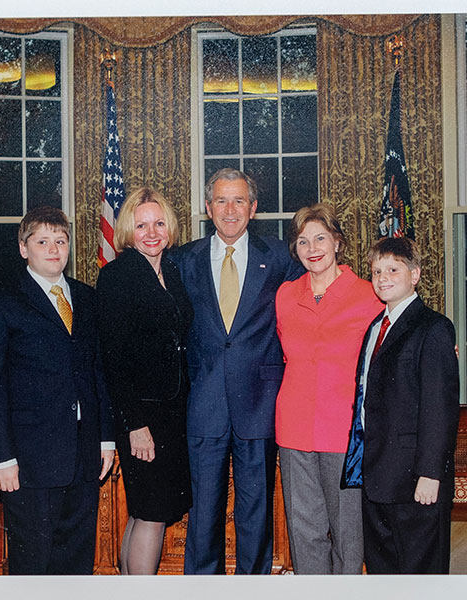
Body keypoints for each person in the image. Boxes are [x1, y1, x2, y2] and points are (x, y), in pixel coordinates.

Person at [171, 168, 303, 574]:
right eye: (222, 201)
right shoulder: (181, 260)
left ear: (254, 208)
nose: (231, 210)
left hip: (259, 403)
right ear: (208, 208)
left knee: (255, 514)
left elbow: (319, 299)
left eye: (239, 201)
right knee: (203, 515)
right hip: (203, 403)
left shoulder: (280, 256)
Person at [0, 206, 115, 575]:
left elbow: (98, 372)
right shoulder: (1, 300)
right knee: (33, 561)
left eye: (60, 241)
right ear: (24, 248)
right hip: (30, 459)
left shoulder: (87, 298)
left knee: (77, 557)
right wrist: (2, 459)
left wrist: (105, 440)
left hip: (84, 455)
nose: (53, 249)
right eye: (42, 241)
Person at [275, 204, 383, 574]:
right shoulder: (286, 296)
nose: (312, 247)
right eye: (302, 241)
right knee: (304, 532)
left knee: (348, 534)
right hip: (293, 429)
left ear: (337, 242)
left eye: (320, 238)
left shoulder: (371, 295)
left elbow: (403, 337)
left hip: (346, 432)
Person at [343, 236, 459, 574]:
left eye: (393, 269)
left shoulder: (434, 328)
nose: (383, 278)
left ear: (416, 274)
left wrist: (430, 473)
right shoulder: (375, 328)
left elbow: (440, 408)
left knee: (420, 576)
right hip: (376, 475)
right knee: (384, 574)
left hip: (415, 480)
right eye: (376, 271)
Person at [96, 187, 193, 575]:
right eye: (141, 226)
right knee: (151, 513)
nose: (151, 233)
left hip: (173, 414)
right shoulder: (117, 275)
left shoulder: (171, 269)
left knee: (145, 511)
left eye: (158, 224)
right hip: (142, 418)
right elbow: (113, 358)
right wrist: (134, 425)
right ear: (127, 231)